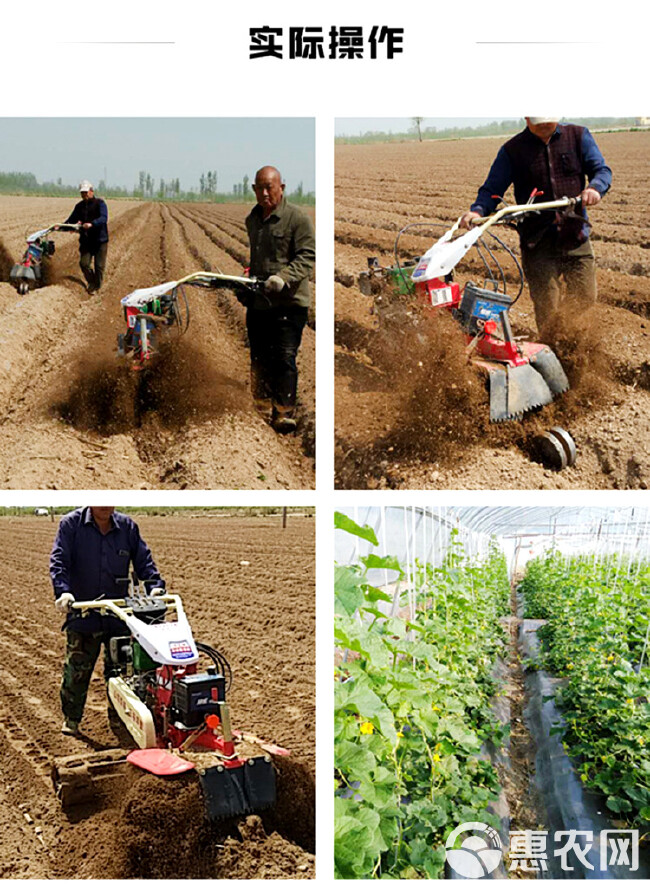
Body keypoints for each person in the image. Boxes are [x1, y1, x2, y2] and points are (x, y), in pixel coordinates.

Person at [459, 118, 612, 334]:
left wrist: (595, 188)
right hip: (537, 243)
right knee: (547, 307)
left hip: (575, 235)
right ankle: (554, 347)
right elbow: (491, 189)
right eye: (538, 120)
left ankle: (567, 336)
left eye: (547, 119)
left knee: (585, 296)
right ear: (527, 118)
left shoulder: (578, 136)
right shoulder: (512, 150)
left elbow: (602, 170)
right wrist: (477, 211)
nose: (543, 124)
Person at [50, 506, 165, 735]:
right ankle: (71, 719)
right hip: (85, 613)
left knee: (120, 673)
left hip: (117, 616)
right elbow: (59, 561)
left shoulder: (127, 527)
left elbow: (144, 561)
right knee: (77, 670)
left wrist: (155, 587)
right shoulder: (71, 525)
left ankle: (121, 719)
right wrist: (63, 591)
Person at [245, 165, 315, 433]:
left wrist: (283, 277)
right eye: (259, 188)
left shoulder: (297, 219)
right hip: (260, 302)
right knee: (259, 355)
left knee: (284, 356)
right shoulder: (252, 219)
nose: (264, 193)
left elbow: (307, 257)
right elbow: (258, 259)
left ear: (281, 188)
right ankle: (261, 407)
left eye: (269, 187)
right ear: (253, 190)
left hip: (289, 303)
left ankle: (284, 412)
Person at [62, 180, 109, 294]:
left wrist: (92, 224)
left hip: (100, 240)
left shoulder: (100, 203)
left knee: (99, 267)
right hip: (86, 241)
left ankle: (97, 286)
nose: (84, 194)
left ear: (91, 191)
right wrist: (62, 227)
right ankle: (92, 282)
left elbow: (104, 218)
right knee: (84, 264)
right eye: (82, 192)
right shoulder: (79, 206)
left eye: (86, 192)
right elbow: (71, 220)